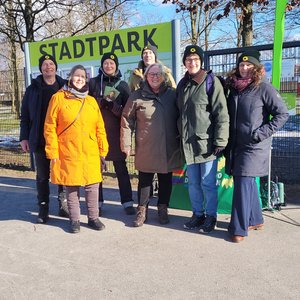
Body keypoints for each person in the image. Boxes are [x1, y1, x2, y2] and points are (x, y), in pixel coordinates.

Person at [224, 50, 289, 243]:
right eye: (241, 65)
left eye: (248, 65)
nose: (244, 68)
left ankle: (238, 229)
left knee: (242, 182)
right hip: (235, 144)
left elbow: (282, 114)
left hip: (254, 145)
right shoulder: (233, 88)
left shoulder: (264, 88)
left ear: (256, 68)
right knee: (246, 183)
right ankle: (255, 219)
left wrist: (260, 134)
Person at [44, 65, 109, 233]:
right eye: (76, 76)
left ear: (86, 79)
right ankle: (74, 220)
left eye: (83, 76)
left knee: (92, 186)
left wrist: (103, 150)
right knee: (71, 187)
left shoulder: (91, 101)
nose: (80, 79)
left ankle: (93, 217)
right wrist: (52, 151)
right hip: (68, 151)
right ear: (70, 78)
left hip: (90, 151)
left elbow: (99, 127)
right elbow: (49, 127)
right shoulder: (58, 98)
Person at [121, 63, 182, 227]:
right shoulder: (137, 95)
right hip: (146, 145)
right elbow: (127, 120)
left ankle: (163, 208)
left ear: (163, 76)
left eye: (158, 74)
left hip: (168, 145)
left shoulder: (172, 94)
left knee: (165, 179)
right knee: (145, 180)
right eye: (151, 74)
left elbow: (182, 115)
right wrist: (126, 144)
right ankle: (142, 210)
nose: (155, 77)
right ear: (146, 76)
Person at [176, 45, 229, 233]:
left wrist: (221, 141)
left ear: (201, 62)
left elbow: (221, 113)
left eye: (196, 60)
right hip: (189, 144)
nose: (192, 63)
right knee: (194, 184)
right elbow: (179, 114)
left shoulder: (210, 82)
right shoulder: (182, 84)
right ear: (185, 63)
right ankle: (197, 214)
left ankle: (211, 216)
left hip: (207, 145)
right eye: (189, 60)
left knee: (208, 183)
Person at [20, 54, 69, 224]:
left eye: (51, 64)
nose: (48, 67)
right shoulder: (32, 89)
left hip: (62, 140)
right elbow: (25, 116)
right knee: (42, 176)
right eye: (45, 65)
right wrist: (24, 137)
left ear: (56, 67)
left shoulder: (65, 87)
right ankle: (43, 207)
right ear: (40, 68)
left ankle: (63, 204)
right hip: (40, 139)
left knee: (62, 174)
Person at [89, 52, 135, 216]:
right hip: (96, 134)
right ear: (101, 66)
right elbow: (85, 105)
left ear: (116, 66)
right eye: (106, 63)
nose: (109, 66)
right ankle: (97, 202)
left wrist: (114, 107)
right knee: (96, 170)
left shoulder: (122, 85)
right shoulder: (93, 83)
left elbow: (129, 112)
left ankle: (127, 202)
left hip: (116, 134)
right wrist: (99, 103)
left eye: (112, 63)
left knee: (121, 169)